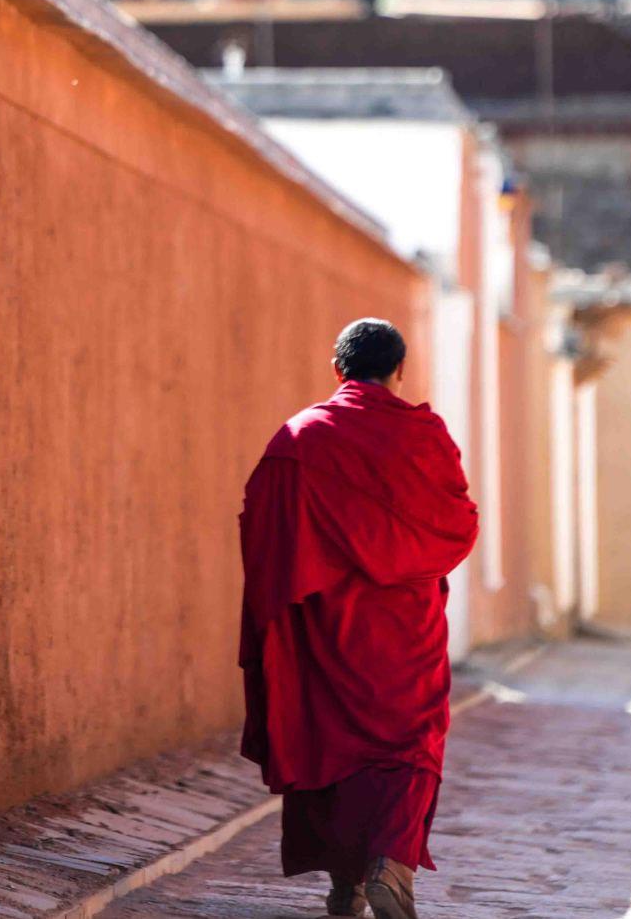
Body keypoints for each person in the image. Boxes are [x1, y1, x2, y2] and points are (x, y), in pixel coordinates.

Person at [238, 318, 478, 919]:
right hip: (405, 630)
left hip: (325, 630)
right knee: (408, 743)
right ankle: (388, 866)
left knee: (331, 741)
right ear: (400, 372)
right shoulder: (425, 436)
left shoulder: (298, 438)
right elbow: (459, 524)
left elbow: (264, 537)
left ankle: (346, 883)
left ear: (337, 370)